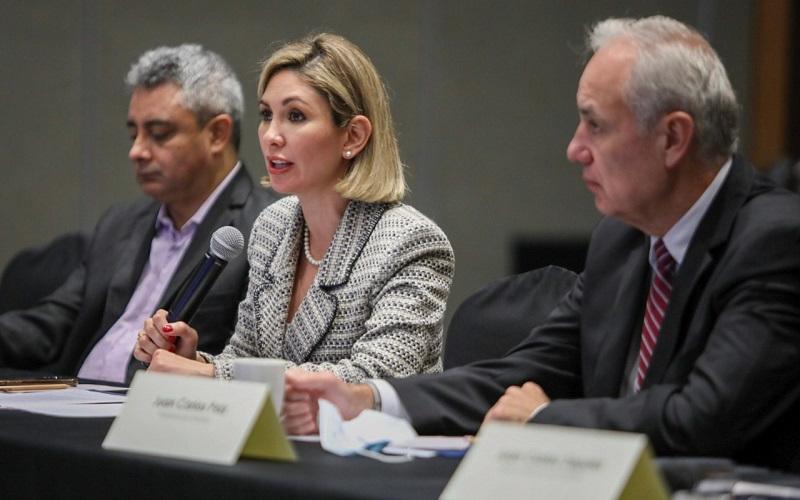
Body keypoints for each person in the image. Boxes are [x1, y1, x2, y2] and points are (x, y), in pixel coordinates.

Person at [283, 16, 800, 472]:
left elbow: (703, 418)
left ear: (673, 138)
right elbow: (523, 373)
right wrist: (369, 399)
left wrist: (544, 417)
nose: (575, 149)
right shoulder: (622, 240)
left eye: (596, 125)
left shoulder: (775, 243)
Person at [134, 33, 454, 383]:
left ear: (353, 137)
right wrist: (192, 358)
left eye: (296, 116)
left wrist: (209, 374)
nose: (271, 135)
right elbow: (244, 357)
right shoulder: (273, 226)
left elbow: (374, 378)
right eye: (266, 115)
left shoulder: (412, 242)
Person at [0, 44, 276, 383]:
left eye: (159, 134)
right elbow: (55, 323)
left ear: (217, 134)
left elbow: (254, 360)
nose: (137, 151)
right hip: (73, 399)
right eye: (134, 134)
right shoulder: (120, 223)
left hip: (162, 413)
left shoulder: (267, 227)